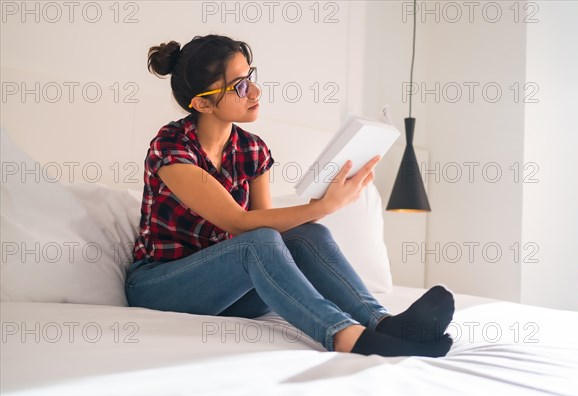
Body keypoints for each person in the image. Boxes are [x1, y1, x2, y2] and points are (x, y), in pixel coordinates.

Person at [125, 34, 455, 357]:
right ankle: (346, 337)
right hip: (162, 286)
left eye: (251, 77)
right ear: (202, 103)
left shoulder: (252, 149)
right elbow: (239, 223)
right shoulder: (172, 147)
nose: (255, 91)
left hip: (227, 294)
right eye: (240, 86)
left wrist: (321, 208)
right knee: (261, 241)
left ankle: (384, 325)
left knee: (307, 234)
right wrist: (324, 206)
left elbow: (264, 228)